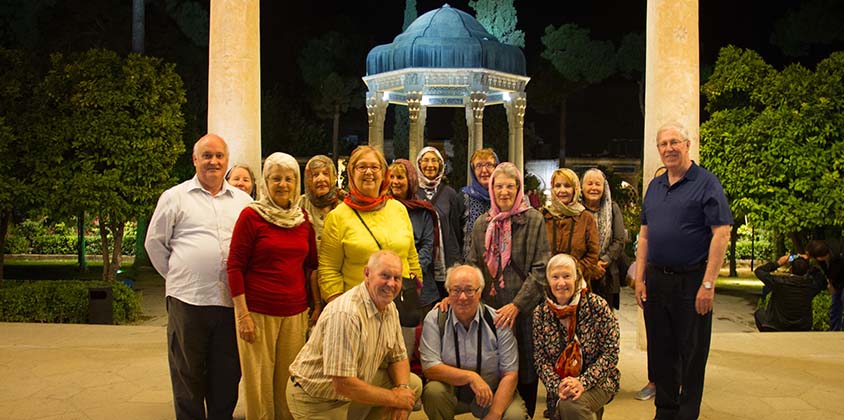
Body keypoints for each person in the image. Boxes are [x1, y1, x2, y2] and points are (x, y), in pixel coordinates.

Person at [145, 133, 253, 420]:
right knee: (187, 373)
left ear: (227, 160)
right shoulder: (174, 197)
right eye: (207, 156)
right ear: (195, 160)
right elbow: (154, 243)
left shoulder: (244, 201)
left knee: (227, 373)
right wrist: (180, 275)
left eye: (219, 156)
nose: (213, 162)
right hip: (188, 300)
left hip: (231, 304)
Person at [634, 122, 732, 420]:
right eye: (663, 144)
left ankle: (687, 413)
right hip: (656, 280)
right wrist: (639, 279)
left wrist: (708, 284)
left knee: (692, 352)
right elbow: (645, 236)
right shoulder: (655, 185)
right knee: (661, 350)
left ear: (687, 145)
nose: (669, 148)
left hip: (692, 281)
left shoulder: (706, 183)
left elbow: (722, 232)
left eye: (674, 142)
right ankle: (665, 410)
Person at [227, 152, 319, 420]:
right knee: (259, 385)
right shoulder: (251, 216)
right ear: (265, 182)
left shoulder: (302, 219)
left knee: (287, 385)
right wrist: (242, 315)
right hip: (257, 313)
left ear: (296, 182)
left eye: (289, 179)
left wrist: (316, 306)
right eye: (276, 178)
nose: (283, 184)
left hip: (294, 313)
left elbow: (311, 265)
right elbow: (234, 267)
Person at [286, 250, 423, 420]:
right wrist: (396, 399)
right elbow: (342, 383)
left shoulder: (390, 308)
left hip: (351, 390)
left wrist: (402, 390)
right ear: (367, 274)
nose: (391, 284)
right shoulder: (346, 313)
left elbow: (398, 357)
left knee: (412, 384)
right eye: (385, 276)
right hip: (318, 398)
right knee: (400, 396)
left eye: (397, 278)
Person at [465, 162, 551, 417]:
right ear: (491, 189)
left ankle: (525, 414)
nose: (504, 191)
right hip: (491, 309)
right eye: (498, 186)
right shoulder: (482, 223)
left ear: (518, 188)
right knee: (494, 366)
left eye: (510, 186)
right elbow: (473, 263)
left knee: (526, 367)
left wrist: (517, 305)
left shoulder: (533, 219)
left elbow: (541, 268)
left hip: (525, 309)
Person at [419, 264, 528, 420]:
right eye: (456, 290)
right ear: (448, 292)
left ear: (480, 292)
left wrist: (494, 414)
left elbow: (510, 374)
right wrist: (471, 377)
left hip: (491, 390)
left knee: (514, 416)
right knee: (433, 391)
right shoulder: (436, 318)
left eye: (469, 290)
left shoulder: (498, 321)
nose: (462, 297)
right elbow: (430, 368)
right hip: (451, 392)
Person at [318, 146, 422, 303]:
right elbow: (328, 270)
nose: (369, 172)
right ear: (352, 173)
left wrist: (416, 289)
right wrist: (340, 307)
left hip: (400, 305)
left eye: (375, 167)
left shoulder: (398, 209)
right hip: (356, 309)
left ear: (383, 174)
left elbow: (412, 257)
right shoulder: (337, 217)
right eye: (362, 167)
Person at [533, 254, 619, 420]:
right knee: (569, 406)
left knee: (571, 406)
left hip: (598, 381)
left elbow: (611, 352)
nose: (561, 283)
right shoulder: (541, 313)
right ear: (548, 281)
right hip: (560, 387)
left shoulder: (597, 306)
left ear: (577, 279)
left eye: (567, 276)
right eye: (555, 277)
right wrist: (558, 385)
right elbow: (540, 359)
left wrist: (583, 382)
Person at [389, 159, 444, 309]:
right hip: (387, 282)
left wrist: (410, 273)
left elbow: (427, 246)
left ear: (411, 180)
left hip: (420, 285)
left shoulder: (422, 211)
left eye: (400, 177)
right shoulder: (382, 208)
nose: (395, 182)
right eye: (391, 177)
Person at [540, 168, 604, 291]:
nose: (562, 190)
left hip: (578, 286)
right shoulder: (543, 216)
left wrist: (569, 272)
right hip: (546, 287)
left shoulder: (586, 218)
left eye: (567, 186)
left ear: (575, 189)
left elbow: (592, 255)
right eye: (557, 186)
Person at [416, 146, 465, 298]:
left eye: (434, 161)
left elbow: (456, 228)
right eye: (425, 160)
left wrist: (457, 259)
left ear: (440, 165)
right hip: (422, 260)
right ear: (418, 164)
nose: (430, 165)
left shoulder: (450, 193)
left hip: (446, 259)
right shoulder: (413, 192)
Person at [581, 168, 626, 309]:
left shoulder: (613, 208)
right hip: (581, 274)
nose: (594, 188)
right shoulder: (576, 210)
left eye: (598, 184)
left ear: (604, 187)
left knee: (605, 322)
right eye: (589, 184)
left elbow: (619, 240)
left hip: (607, 275)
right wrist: (589, 265)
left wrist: (602, 262)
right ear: (581, 187)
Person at [753, 256, 826, 331]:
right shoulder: (811, 286)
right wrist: (810, 262)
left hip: (778, 325)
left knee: (759, 313)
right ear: (807, 271)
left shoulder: (779, 282)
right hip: (802, 326)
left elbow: (759, 271)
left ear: (790, 269)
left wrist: (778, 263)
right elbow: (822, 281)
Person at [299, 155, 345, 248]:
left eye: (326, 173)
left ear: (334, 177)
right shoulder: (299, 205)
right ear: (308, 180)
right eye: (315, 175)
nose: (321, 179)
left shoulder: (344, 205)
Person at [460, 148, 499, 260]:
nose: (484, 170)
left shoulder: (503, 197)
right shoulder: (463, 197)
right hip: (469, 266)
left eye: (489, 165)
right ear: (473, 170)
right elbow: (454, 234)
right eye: (478, 166)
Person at [805, 240, 844, 331]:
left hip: (840, 278)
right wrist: (830, 283)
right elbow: (829, 272)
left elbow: (835, 271)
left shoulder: (838, 256)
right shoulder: (820, 253)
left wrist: (831, 283)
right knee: (835, 307)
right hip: (837, 281)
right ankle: (834, 330)